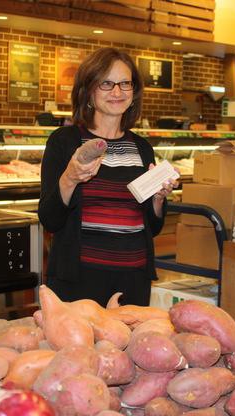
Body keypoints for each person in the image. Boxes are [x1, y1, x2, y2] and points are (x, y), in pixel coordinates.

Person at [38, 47, 177, 306]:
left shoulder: (142, 148)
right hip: (79, 281)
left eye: (125, 83)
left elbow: (153, 227)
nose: (117, 92)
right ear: (89, 90)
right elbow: (50, 219)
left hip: (133, 281)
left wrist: (158, 199)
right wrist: (70, 178)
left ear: (134, 91)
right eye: (106, 83)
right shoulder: (65, 142)